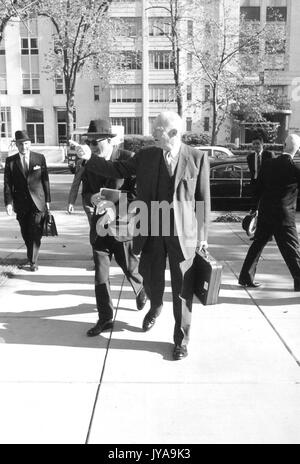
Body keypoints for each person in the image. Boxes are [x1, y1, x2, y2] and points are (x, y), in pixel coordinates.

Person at [84, 111, 211, 360]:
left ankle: (181, 340)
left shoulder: (197, 158)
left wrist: (203, 235)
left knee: (182, 289)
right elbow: (115, 167)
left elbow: (202, 200)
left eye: (158, 129)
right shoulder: (146, 156)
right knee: (151, 280)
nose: (153, 133)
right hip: (151, 229)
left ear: (173, 133)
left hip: (182, 235)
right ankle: (155, 305)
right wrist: (89, 158)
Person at [71, 119, 147, 337]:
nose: (92, 148)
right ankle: (105, 318)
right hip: (99, 227)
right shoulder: (88, 161)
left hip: (121, 224)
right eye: (90, 143)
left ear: (108, 140)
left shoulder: (127, 159)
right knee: (101, 275)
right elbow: (85, 192)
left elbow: (137, 195)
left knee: (130, 268)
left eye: (96, 144)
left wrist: (115, 202)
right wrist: (92, 198)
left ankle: (142, 289)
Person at [239, 134, 300, 290]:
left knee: (257, 245)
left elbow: (258, 189)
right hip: (284, 216)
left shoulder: (267, 164)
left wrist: (254, 209)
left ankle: (246, 277)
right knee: (292, 249)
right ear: (297, 149)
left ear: (283, 145)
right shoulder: (295, 169)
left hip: (266, 213)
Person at [3, 130, 51, 272]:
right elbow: (7, 184)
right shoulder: (11, 161)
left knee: (36, 231)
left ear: (30, 143)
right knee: (25, 232)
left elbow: (45, 180)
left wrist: (48, 199)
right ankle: (32, 252)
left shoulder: (39, 158)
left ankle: (33, 261)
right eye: (20, 144)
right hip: (21, 203)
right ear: (16, 145)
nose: (24, 147)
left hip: (38, 202)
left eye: (26, 143)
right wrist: (9, 203)